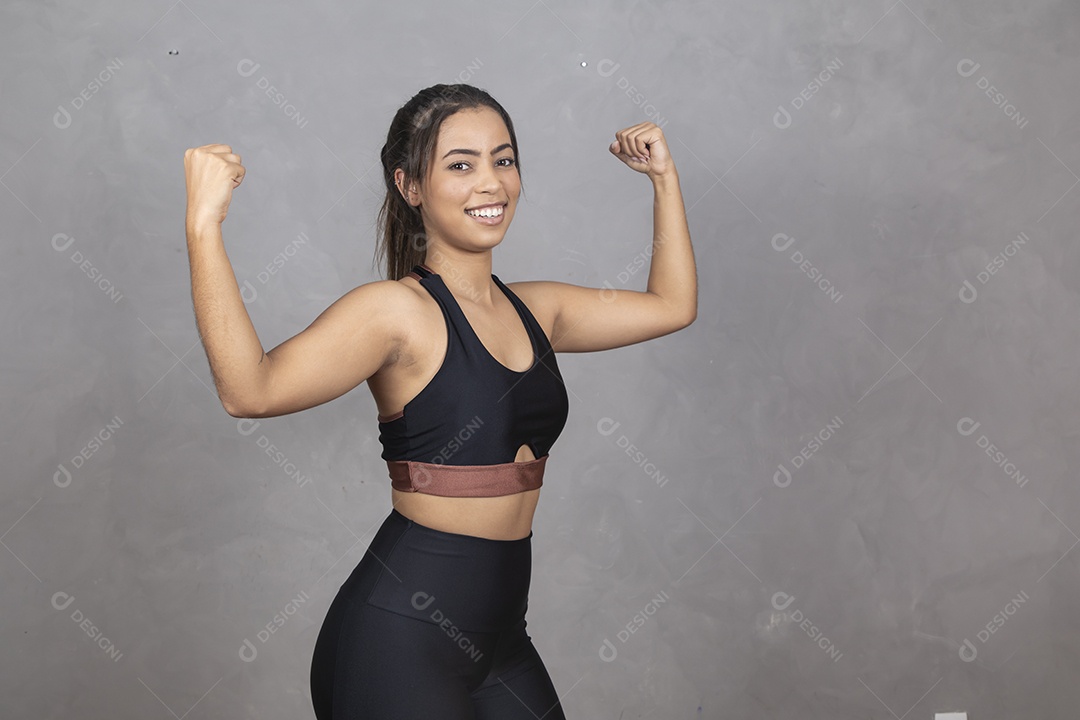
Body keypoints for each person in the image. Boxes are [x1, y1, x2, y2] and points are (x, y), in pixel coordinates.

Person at [183, 83, 696, 719]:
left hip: (502, 642)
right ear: (410, 186)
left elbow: (672, 306)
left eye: (503, 159)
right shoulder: (395, 313)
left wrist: (663, 179)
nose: (491, 182)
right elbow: (249, 391)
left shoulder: (538, 310)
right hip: (398, 642)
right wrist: (203, 225)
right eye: (460, 164)